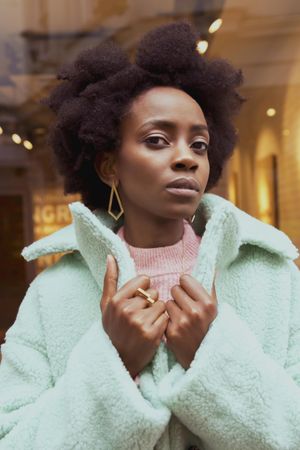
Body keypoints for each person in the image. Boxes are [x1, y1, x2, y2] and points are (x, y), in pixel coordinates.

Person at [0, 21, 300, 450]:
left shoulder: (273, 277)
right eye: (158, 139)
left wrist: (213, 356)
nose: (186, 158)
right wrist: (113, 361)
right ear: (109, 166)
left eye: (199, 144)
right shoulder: (55, 293)